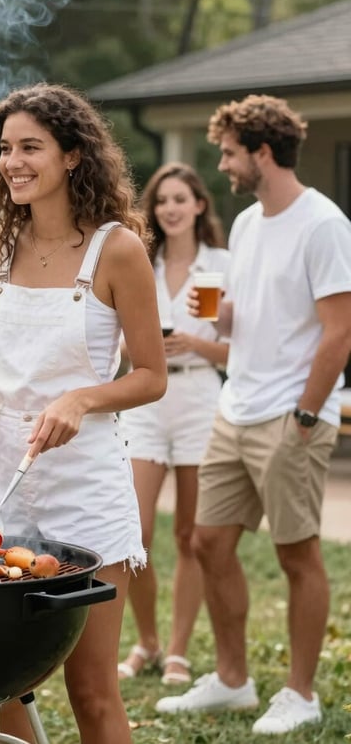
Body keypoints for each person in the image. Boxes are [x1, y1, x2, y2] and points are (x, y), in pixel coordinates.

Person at [0, 83, 167, 744]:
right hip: (2, 470)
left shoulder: (115, 249)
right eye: (5, 149)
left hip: (86, 480)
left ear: (71, 155)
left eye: (30, 147)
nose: (13, 161)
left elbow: (151, 375)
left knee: (92, 690)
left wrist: (82, 397)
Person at [155, 94, 351, 735]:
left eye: (230, 153)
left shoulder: (323, 224)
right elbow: (243, 313)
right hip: (234, 405)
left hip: (289, 413)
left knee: (297, 556)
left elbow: (340, 332)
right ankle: (234, 681)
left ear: (261, 154)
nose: (223, 164)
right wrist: (219, 313)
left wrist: (305, 414)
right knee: (208, 543)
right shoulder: (245, 225)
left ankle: (300, 693)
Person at [117, 163, 230, 686]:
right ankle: (146, 641)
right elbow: (119, 340)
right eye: (162, 200)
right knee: (135, 532)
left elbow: (244, 349)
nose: (170, 208)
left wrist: (196, 344)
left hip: (200, 396)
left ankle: (179, 651)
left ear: (199, 205)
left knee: (190, 534)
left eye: (181, 198)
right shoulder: (142, 259)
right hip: (146, 399)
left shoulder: (222, 265)